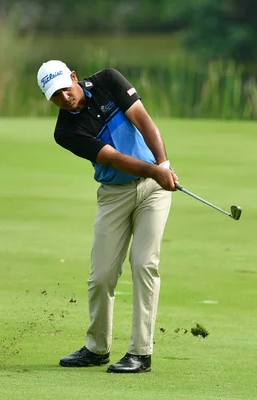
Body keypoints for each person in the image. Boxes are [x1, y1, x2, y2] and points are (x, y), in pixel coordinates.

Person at [36, 60, 178, 373]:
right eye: (55, 97)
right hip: (114, 195)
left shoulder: (108, 80)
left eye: (64, 89)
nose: (63, 98)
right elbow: (112, 158)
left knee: (144, 263)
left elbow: (142, 120)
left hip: (154, 191)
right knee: (101, 276)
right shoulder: (66, 131)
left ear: (73, 77)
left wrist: (164, 165)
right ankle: (97, 348)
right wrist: (154, 170)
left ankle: (140, 354)